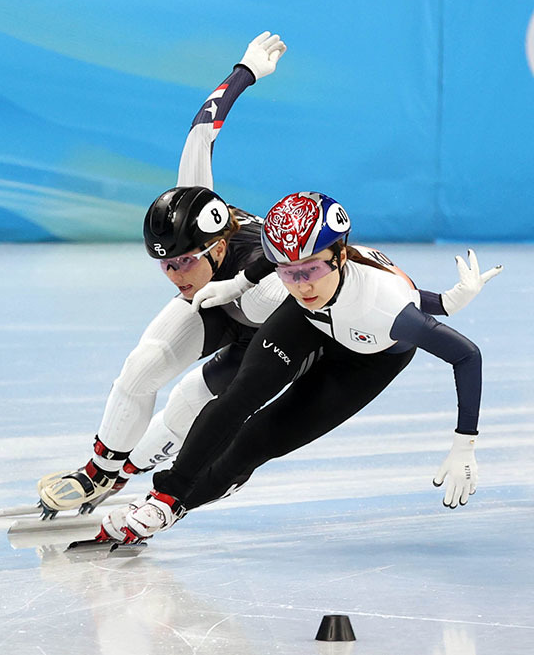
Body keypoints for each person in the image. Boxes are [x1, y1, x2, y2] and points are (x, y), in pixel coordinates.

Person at [99, 190, 502, 544]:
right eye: (288, 273)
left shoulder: (390, 310)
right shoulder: (298, 281)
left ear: (340, 256)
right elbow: (269, 264)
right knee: (239, 396)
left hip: (366, 362)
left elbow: (467, 355)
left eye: (310, 270)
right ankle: (164, 498)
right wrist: (237, 285)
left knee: (257, 441)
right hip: (309, 323)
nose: (301, 285)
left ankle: (176, 507)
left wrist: (465, 442)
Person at [37, 31, 288, 516]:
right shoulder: (195, 205)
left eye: (184, 262)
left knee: (187, 404)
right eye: (165, 265)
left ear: (216, 248)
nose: (175, 276)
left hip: (273, 332)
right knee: (141, 367)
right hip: (222, 300)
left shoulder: (274, 273)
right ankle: (100, 474)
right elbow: (202, 129)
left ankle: (157, 484)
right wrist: (245, 71)